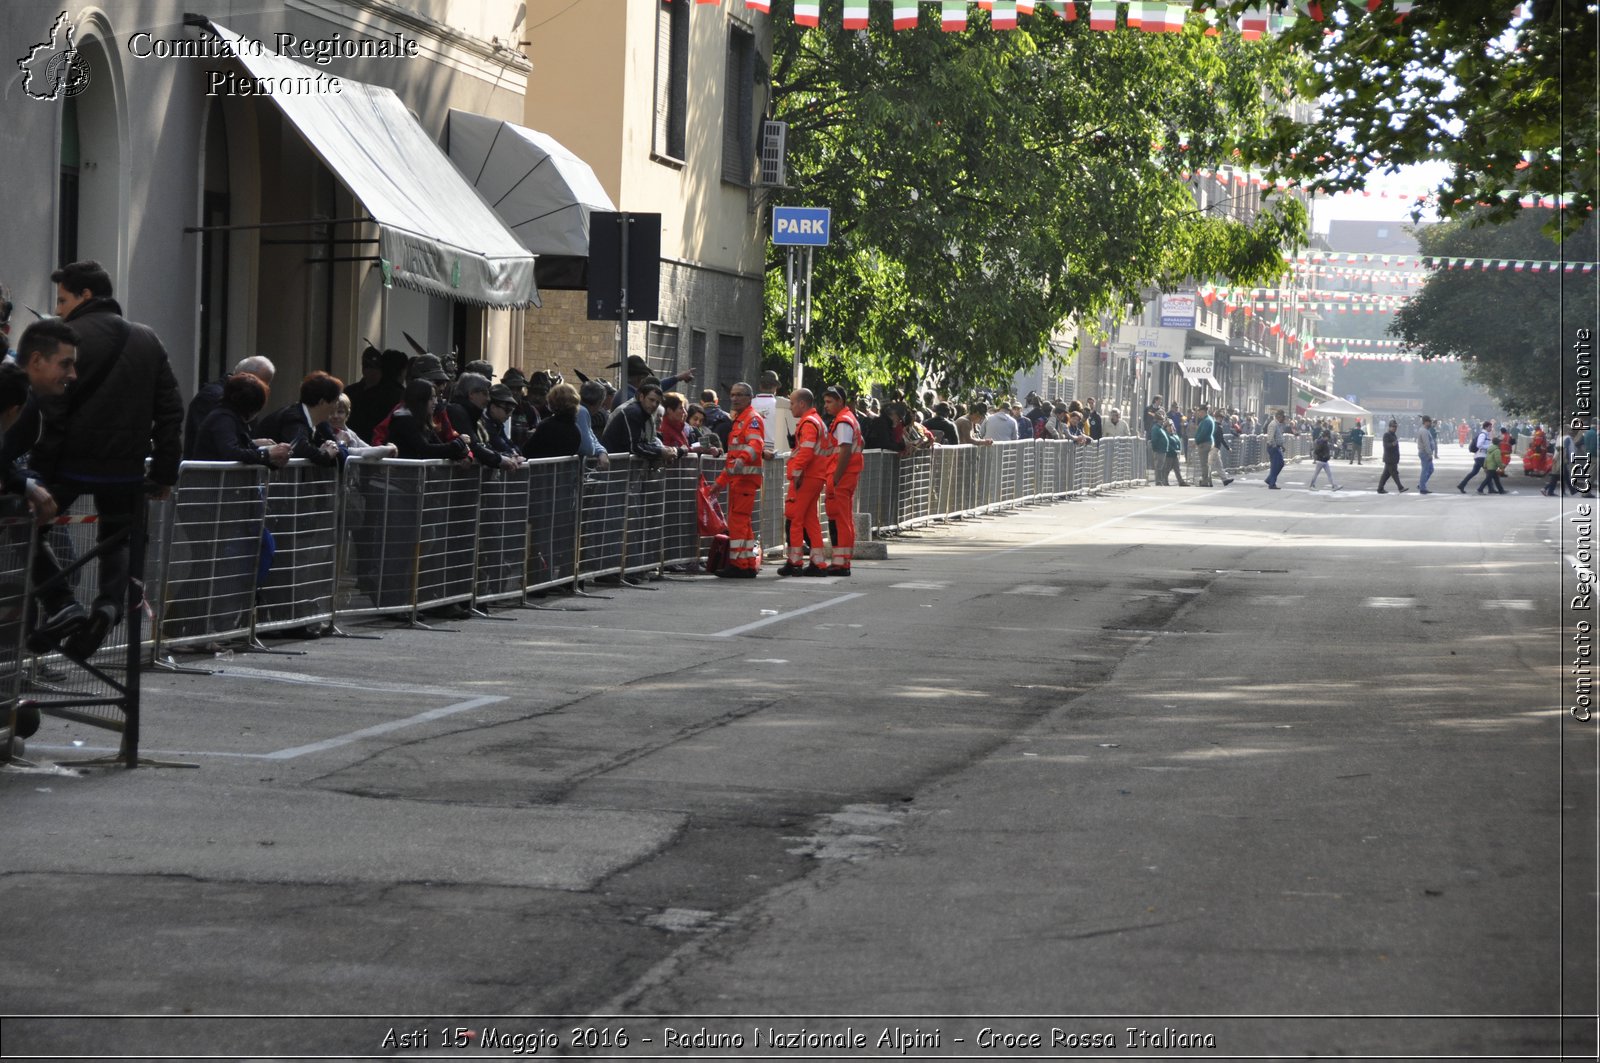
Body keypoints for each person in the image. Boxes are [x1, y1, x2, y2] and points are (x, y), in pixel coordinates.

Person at [26, 260, 184, 662]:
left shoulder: (67, 340)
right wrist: (164, 471)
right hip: (125, 470)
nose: (57, 308)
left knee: (23, 526)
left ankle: (62, 603)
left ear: (85, 296)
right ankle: (108, 606)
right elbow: (169, 411)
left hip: (69, 465)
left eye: (62, 300)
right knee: (120, 540)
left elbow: (52, 412)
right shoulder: (149, 339)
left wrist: (36, 474)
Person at [1, 320, 79, 524]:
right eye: (65, 364)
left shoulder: (26, 402)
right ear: (36, 360)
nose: (72, 374)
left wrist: (30, 484)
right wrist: (28, 484)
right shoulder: (22, 405)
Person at [713, 382, 765, 579]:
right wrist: (720, 481)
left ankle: (739, 565)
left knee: (738, 523)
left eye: (739, 395)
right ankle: (747, 563)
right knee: (744, 523)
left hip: (745, 481)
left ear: (749, 398)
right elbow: (732, 460)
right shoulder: (740, 420)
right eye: (732, 395)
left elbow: (756, 444)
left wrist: (742, 459)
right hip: (739, 480)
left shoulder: (750, 419)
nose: (734, 398)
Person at [778, 388, 829, 577]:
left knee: (795, 519)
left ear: (802, 403)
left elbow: (806, 452)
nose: (790, 407)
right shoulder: (818, 422)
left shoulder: (808, 423)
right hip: (816, 476)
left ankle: (795, 561)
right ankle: (818, 562)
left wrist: (796, 473)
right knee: (810, 521)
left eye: (792, 403)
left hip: (806, 477)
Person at [184, 355, 275, 460]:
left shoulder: (228, 407)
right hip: (209, 471)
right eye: (260, 385)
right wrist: (264, 453)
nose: (261, 390)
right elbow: (226, 446)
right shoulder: (220, 409)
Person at [192, 373, 291, 468]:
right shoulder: (224, 419)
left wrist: (272, 458)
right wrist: (267, 454)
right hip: (211, 482)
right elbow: (232, 452)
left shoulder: (227, 417)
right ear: (253, 407)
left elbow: (244, 449)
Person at [255, 371, 346, 466]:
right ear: (322, 402)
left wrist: (339, 446)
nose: (336, 408)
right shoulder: (294, 417)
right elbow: (298, 447)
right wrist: (325, 454)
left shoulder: (321, 424)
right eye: (335, 402)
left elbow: (339, 457)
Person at [820, 385, 863, 576]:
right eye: (825, 401)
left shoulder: (843, 421)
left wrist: (835, 478)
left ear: (840, 402)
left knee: (841, 520)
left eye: (829, 402)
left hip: (841, 477)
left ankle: (841, 563)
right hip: (844, 475)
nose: (826, 406)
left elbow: (844, 450)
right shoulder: (846, 419)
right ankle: (842, 561)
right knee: (842, 519)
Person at [387, 379, 471, 461]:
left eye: (435, 397)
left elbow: (440, 447)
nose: (436, 402)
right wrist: (458, 443)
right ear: (420, 400)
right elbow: (425, 450)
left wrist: (461, 452)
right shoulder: (404, 421)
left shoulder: (423, 422)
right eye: (431, 398)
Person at [600, 380, 681, 464]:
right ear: (641, 397)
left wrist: (664, 451)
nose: (654, 404)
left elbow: (646, 443)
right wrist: (660, 452)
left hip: (621, 464)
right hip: (613, 465)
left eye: (657, 402)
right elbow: (634, 447)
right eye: (651, 400)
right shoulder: (634, 412)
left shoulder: (645, 414)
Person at [348, 348, 408, 442]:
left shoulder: (392, 393)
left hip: (373, 443)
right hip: (362, 443)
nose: (371, 372)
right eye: (367, 367)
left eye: (375, 368)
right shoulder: (351, 392)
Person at [328, 394, 396, 459]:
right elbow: (360, 453)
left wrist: (389, 449)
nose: (335, 416)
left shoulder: (351, 434)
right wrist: (389, 449)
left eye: (340, 412)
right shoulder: (322, 434)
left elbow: (369, 449)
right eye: (331, 412)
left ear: (347, 414)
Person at [1457, 420, 1493, 493]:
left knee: (1474, 472)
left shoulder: (1485, 434)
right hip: (1481, 456)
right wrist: (1489, 446)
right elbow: (1479, 445)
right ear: (1486, 427)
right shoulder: (1483, 435)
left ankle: (1462, 485)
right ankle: (1485, 489)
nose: (1491, 428)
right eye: (1490, 427)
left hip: (1479, 456)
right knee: (1489, 473)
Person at [1263, 409, 1293, 490]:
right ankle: (1271, 483)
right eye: (1283, 417)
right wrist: (1274, 446)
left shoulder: (1279, 425)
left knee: (1280, 464)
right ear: (1279, 416)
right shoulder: (1273, 424)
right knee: (1275, 465)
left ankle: (1270, 479)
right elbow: (1271, 437)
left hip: (1277, 446)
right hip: (1273, 447)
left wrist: (1282, 446)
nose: (1284, 419)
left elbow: (1278, 436)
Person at [1376, 419, 1407, 493]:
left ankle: (1380, 488)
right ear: (1389, 427)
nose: (1394, 428)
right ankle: (1400, 487)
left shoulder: (1394, 435)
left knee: (1386, 475)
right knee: (1394, 473)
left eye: (1395, 427)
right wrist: (1392, 444)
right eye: (1393, 427)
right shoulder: (1386, 435)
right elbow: (1386, 445)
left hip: (1393, 458)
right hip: (1390, 458)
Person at [1415, 415, 1438, 494]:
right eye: (1429, 422)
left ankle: (1421, 484)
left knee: (1430, 469)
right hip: (1425, 453)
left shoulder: (1425, 430)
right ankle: (1422, 488)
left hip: (1425, 453)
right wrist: (1429, 454)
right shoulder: (1424, 431)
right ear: (1426, 422)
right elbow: (1426, 444)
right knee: (1425, 470)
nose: (1431, 424)